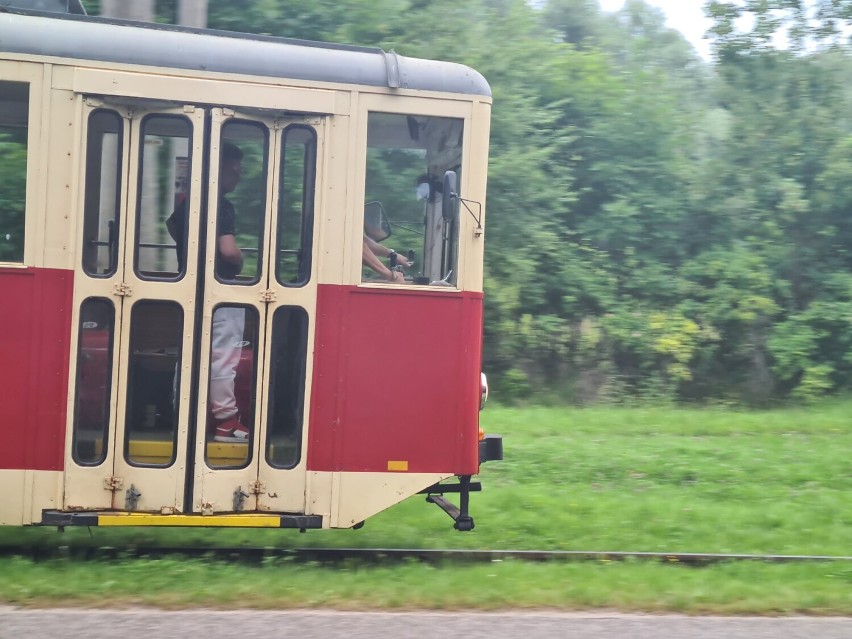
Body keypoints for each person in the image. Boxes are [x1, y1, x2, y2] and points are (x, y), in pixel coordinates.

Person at [167, 142, 249, 443]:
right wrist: (240, 261)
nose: (237, 177)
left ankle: (181, 418)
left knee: (189, 354)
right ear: (220, 169)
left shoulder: (189, 203)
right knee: (222, 358)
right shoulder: (221, 206)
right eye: (233, 170)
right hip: (221, 290)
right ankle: (227, 422)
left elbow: (172, 227)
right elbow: (228, 252)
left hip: (189, 288)